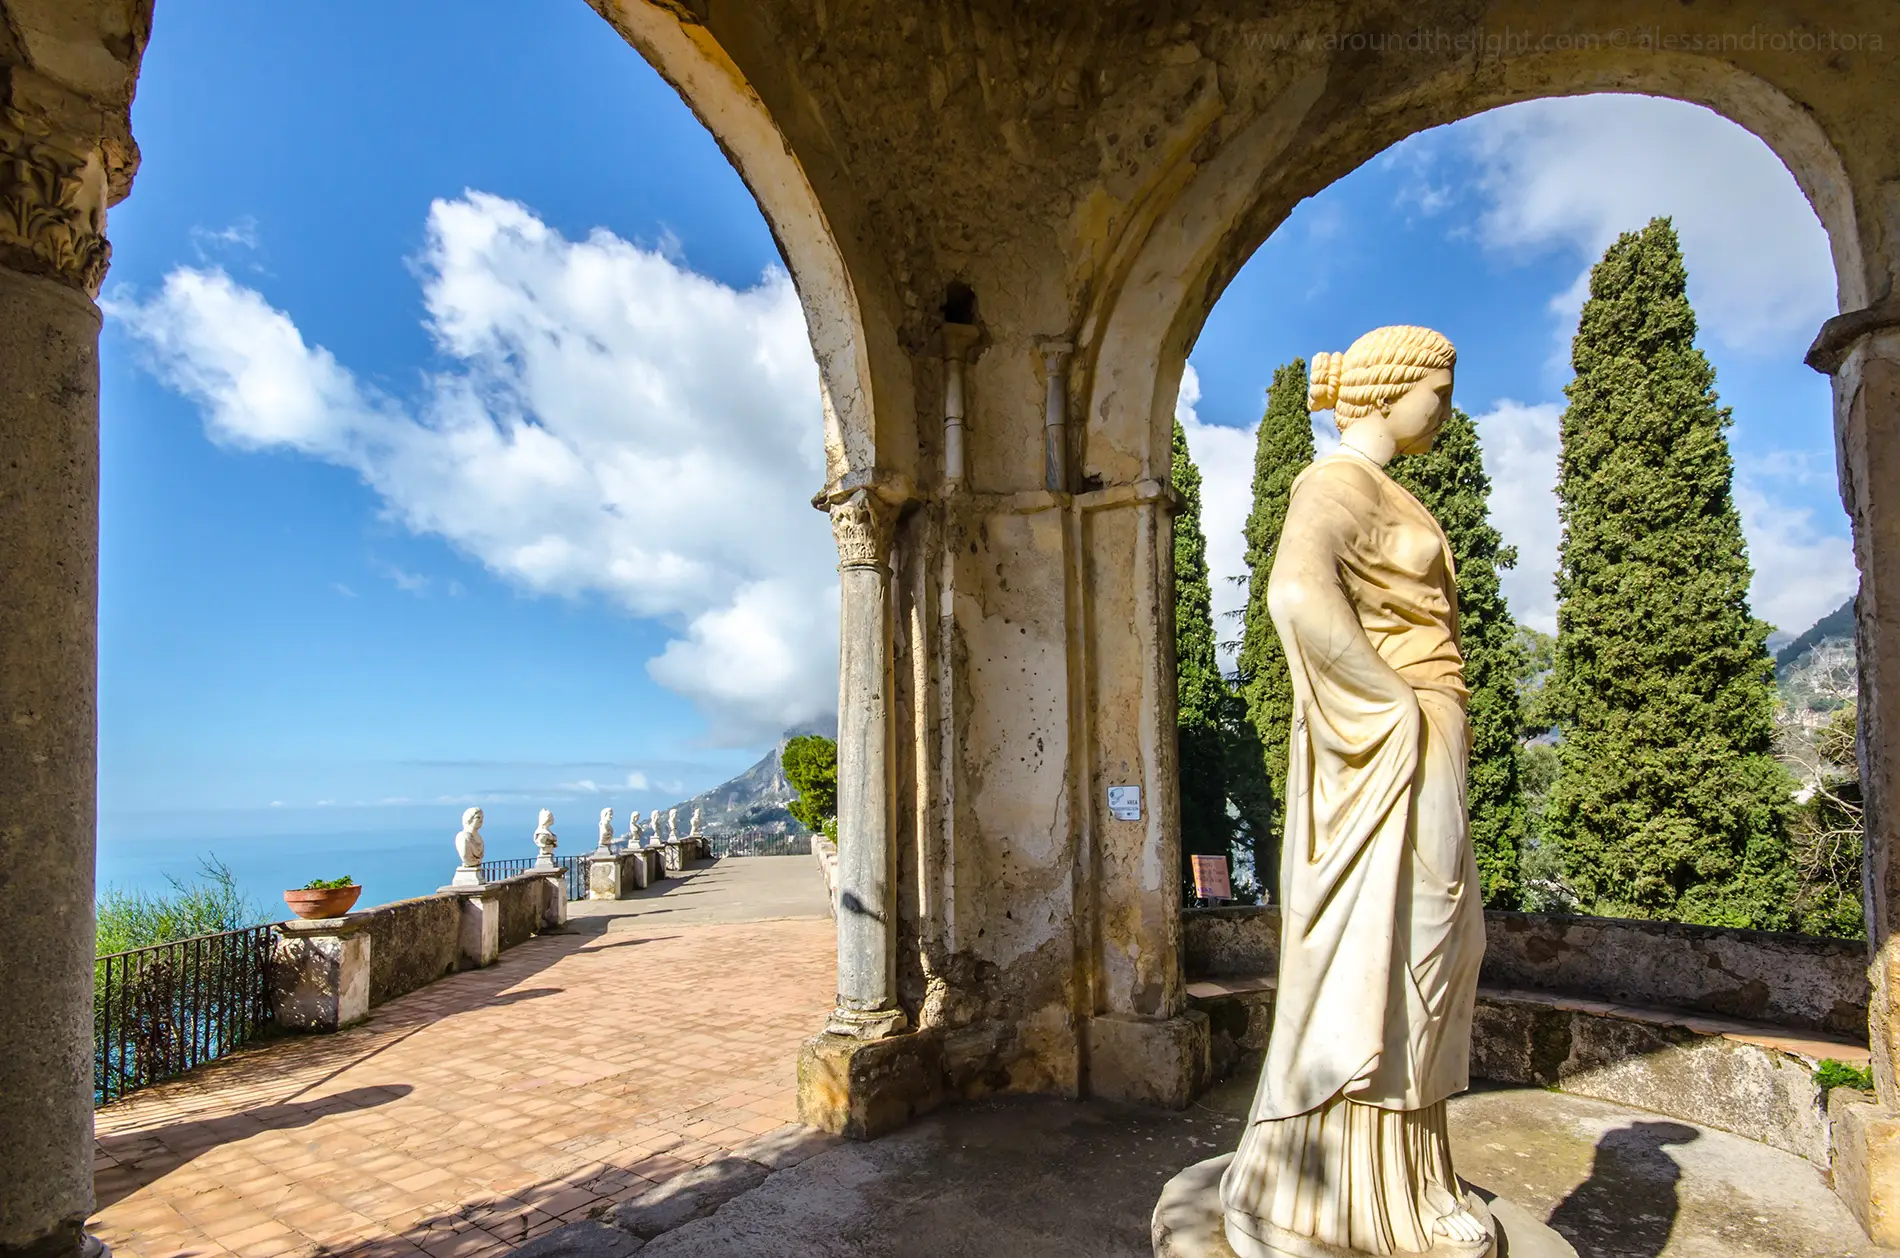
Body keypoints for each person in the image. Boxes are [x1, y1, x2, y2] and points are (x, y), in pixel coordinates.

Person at [1221, 325, 1489, 1256]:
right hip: (1397, 736)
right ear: (1391, 388)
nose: (1447, 411)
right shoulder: (1336, 482)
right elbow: (1298, 595)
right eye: (1440, 393)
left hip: (1423, 733)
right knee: (1405, 941)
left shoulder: (1383, 487)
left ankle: (1407, 1175)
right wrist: (1387, 708)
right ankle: (1352, 1185)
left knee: (1439, 939)